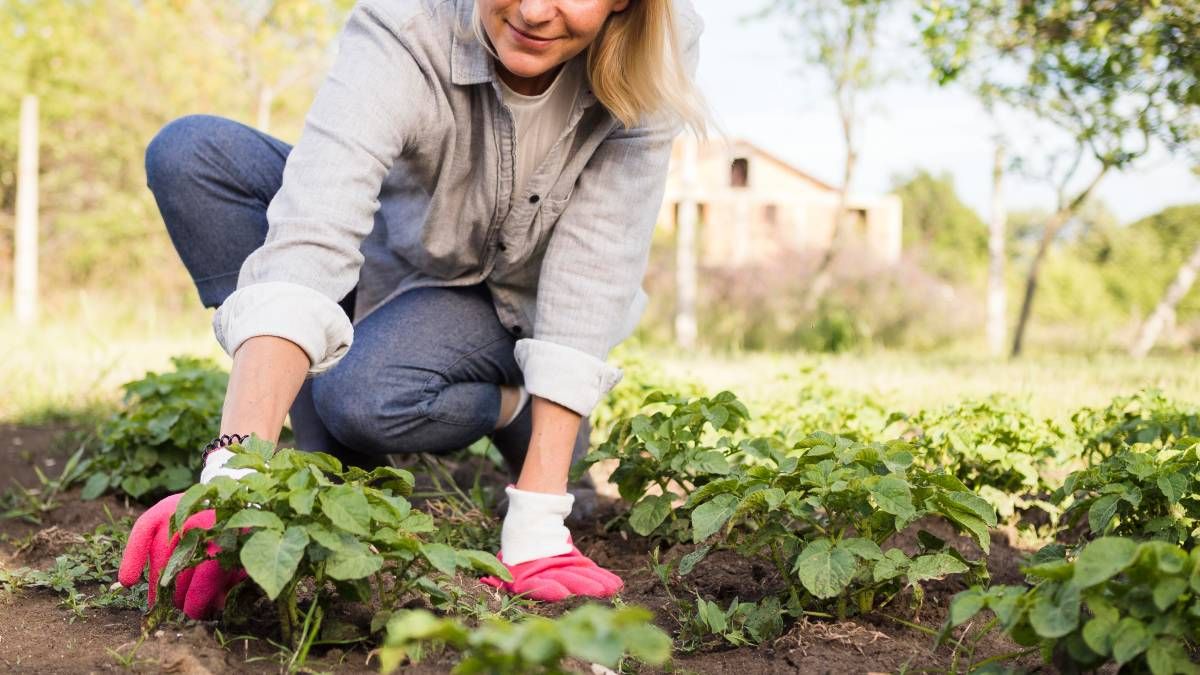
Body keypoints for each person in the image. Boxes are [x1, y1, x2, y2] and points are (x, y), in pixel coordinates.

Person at [117, 0, 705, 619]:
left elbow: (594, 268)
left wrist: (538, 519)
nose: (534, 11)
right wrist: (236, 471)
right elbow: (315, 223)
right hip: (401, 254)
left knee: (362, 396)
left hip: (519, 299)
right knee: (195, 153)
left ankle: (519, 406)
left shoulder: (655, 45)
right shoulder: (406, 20)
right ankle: (331, 471)